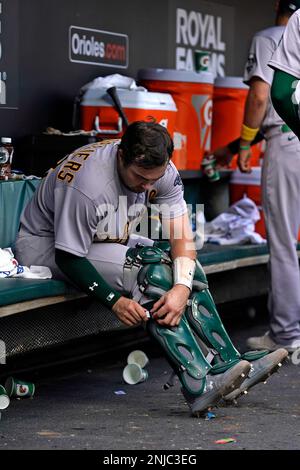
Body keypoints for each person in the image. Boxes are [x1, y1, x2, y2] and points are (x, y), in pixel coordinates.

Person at [15, 121, 286, 415]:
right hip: (47, 246)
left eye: (152, 180)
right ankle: (197, 382)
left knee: (183, 266)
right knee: (150, 273)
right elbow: (69, 257)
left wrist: (182, 288)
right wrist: (114, 301)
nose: (147, 187)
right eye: (140, 178)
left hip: (103, 234)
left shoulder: (162, 172)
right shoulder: (88, 185)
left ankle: (228, 362)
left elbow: (182, 237)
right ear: (121, 156)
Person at [227, 0, 300, 353]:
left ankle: (287, 334)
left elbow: (260, 97)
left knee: (284, 242)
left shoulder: (273, 34)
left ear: (276, 5)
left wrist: (243, 143)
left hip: (288, 138)